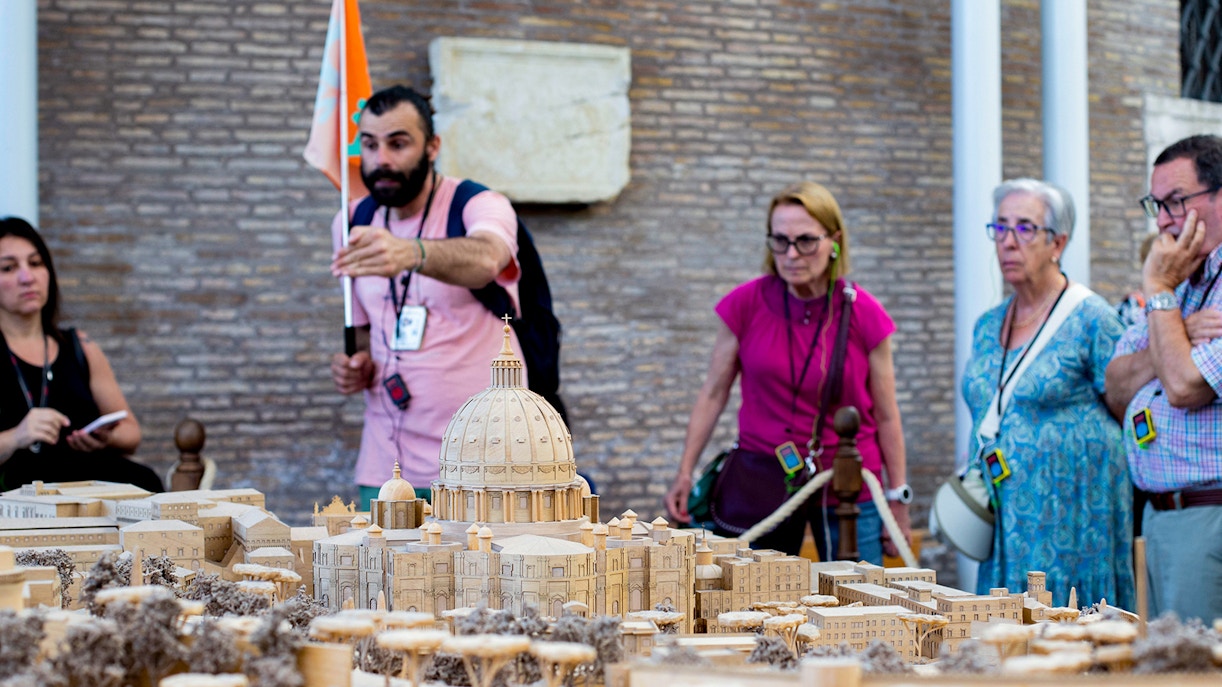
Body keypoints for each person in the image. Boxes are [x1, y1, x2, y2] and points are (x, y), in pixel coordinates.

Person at [663, 181, 911, 562]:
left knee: (857, 604)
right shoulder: (744, 305)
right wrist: (685, 471)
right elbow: (713, 393)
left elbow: (887, 414)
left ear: (835, 241)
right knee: (751, 604)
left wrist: (898, 497)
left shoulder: (864, 313)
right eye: (780, 241)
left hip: (847, 484)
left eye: (806, 241)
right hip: (762, 478)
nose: (792, 254)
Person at [329, 85, 522, 509]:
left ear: (432, 146)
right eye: (370, 143)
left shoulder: (476, 203)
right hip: (385, 464)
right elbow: (364, 335)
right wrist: (353, 366)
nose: (382, 160)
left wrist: (412, 252)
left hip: (481, 466)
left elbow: (490, 257)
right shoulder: (352, 221)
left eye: (398, 143)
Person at [961, 179, 1132, 609]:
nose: (1007, 243)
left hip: (1071, 515)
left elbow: (1127, 406)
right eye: (999, 228)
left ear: (1058, 242)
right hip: (1004, 514)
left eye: (1024, 229)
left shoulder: (1093, 318)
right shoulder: (987, 324)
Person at [1105, 134, 1222, 624]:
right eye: (1157, 204)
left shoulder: (1164, 280)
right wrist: (1176, 324)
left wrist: (1156, 292)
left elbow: (1185, 386)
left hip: (1209, 516)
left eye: (1176, 202)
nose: (1163, 221)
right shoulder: (1181, 282)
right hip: (1160, 519)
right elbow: (1115, 387)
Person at [0, 217, 162, 493]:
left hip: (90, 487)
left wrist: (104, 437)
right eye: (8, 268)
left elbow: (131, 433)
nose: (27, 277)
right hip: (21, 499)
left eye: (36, 263)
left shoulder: (79, 345)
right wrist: (17, 436)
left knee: (146, 482)